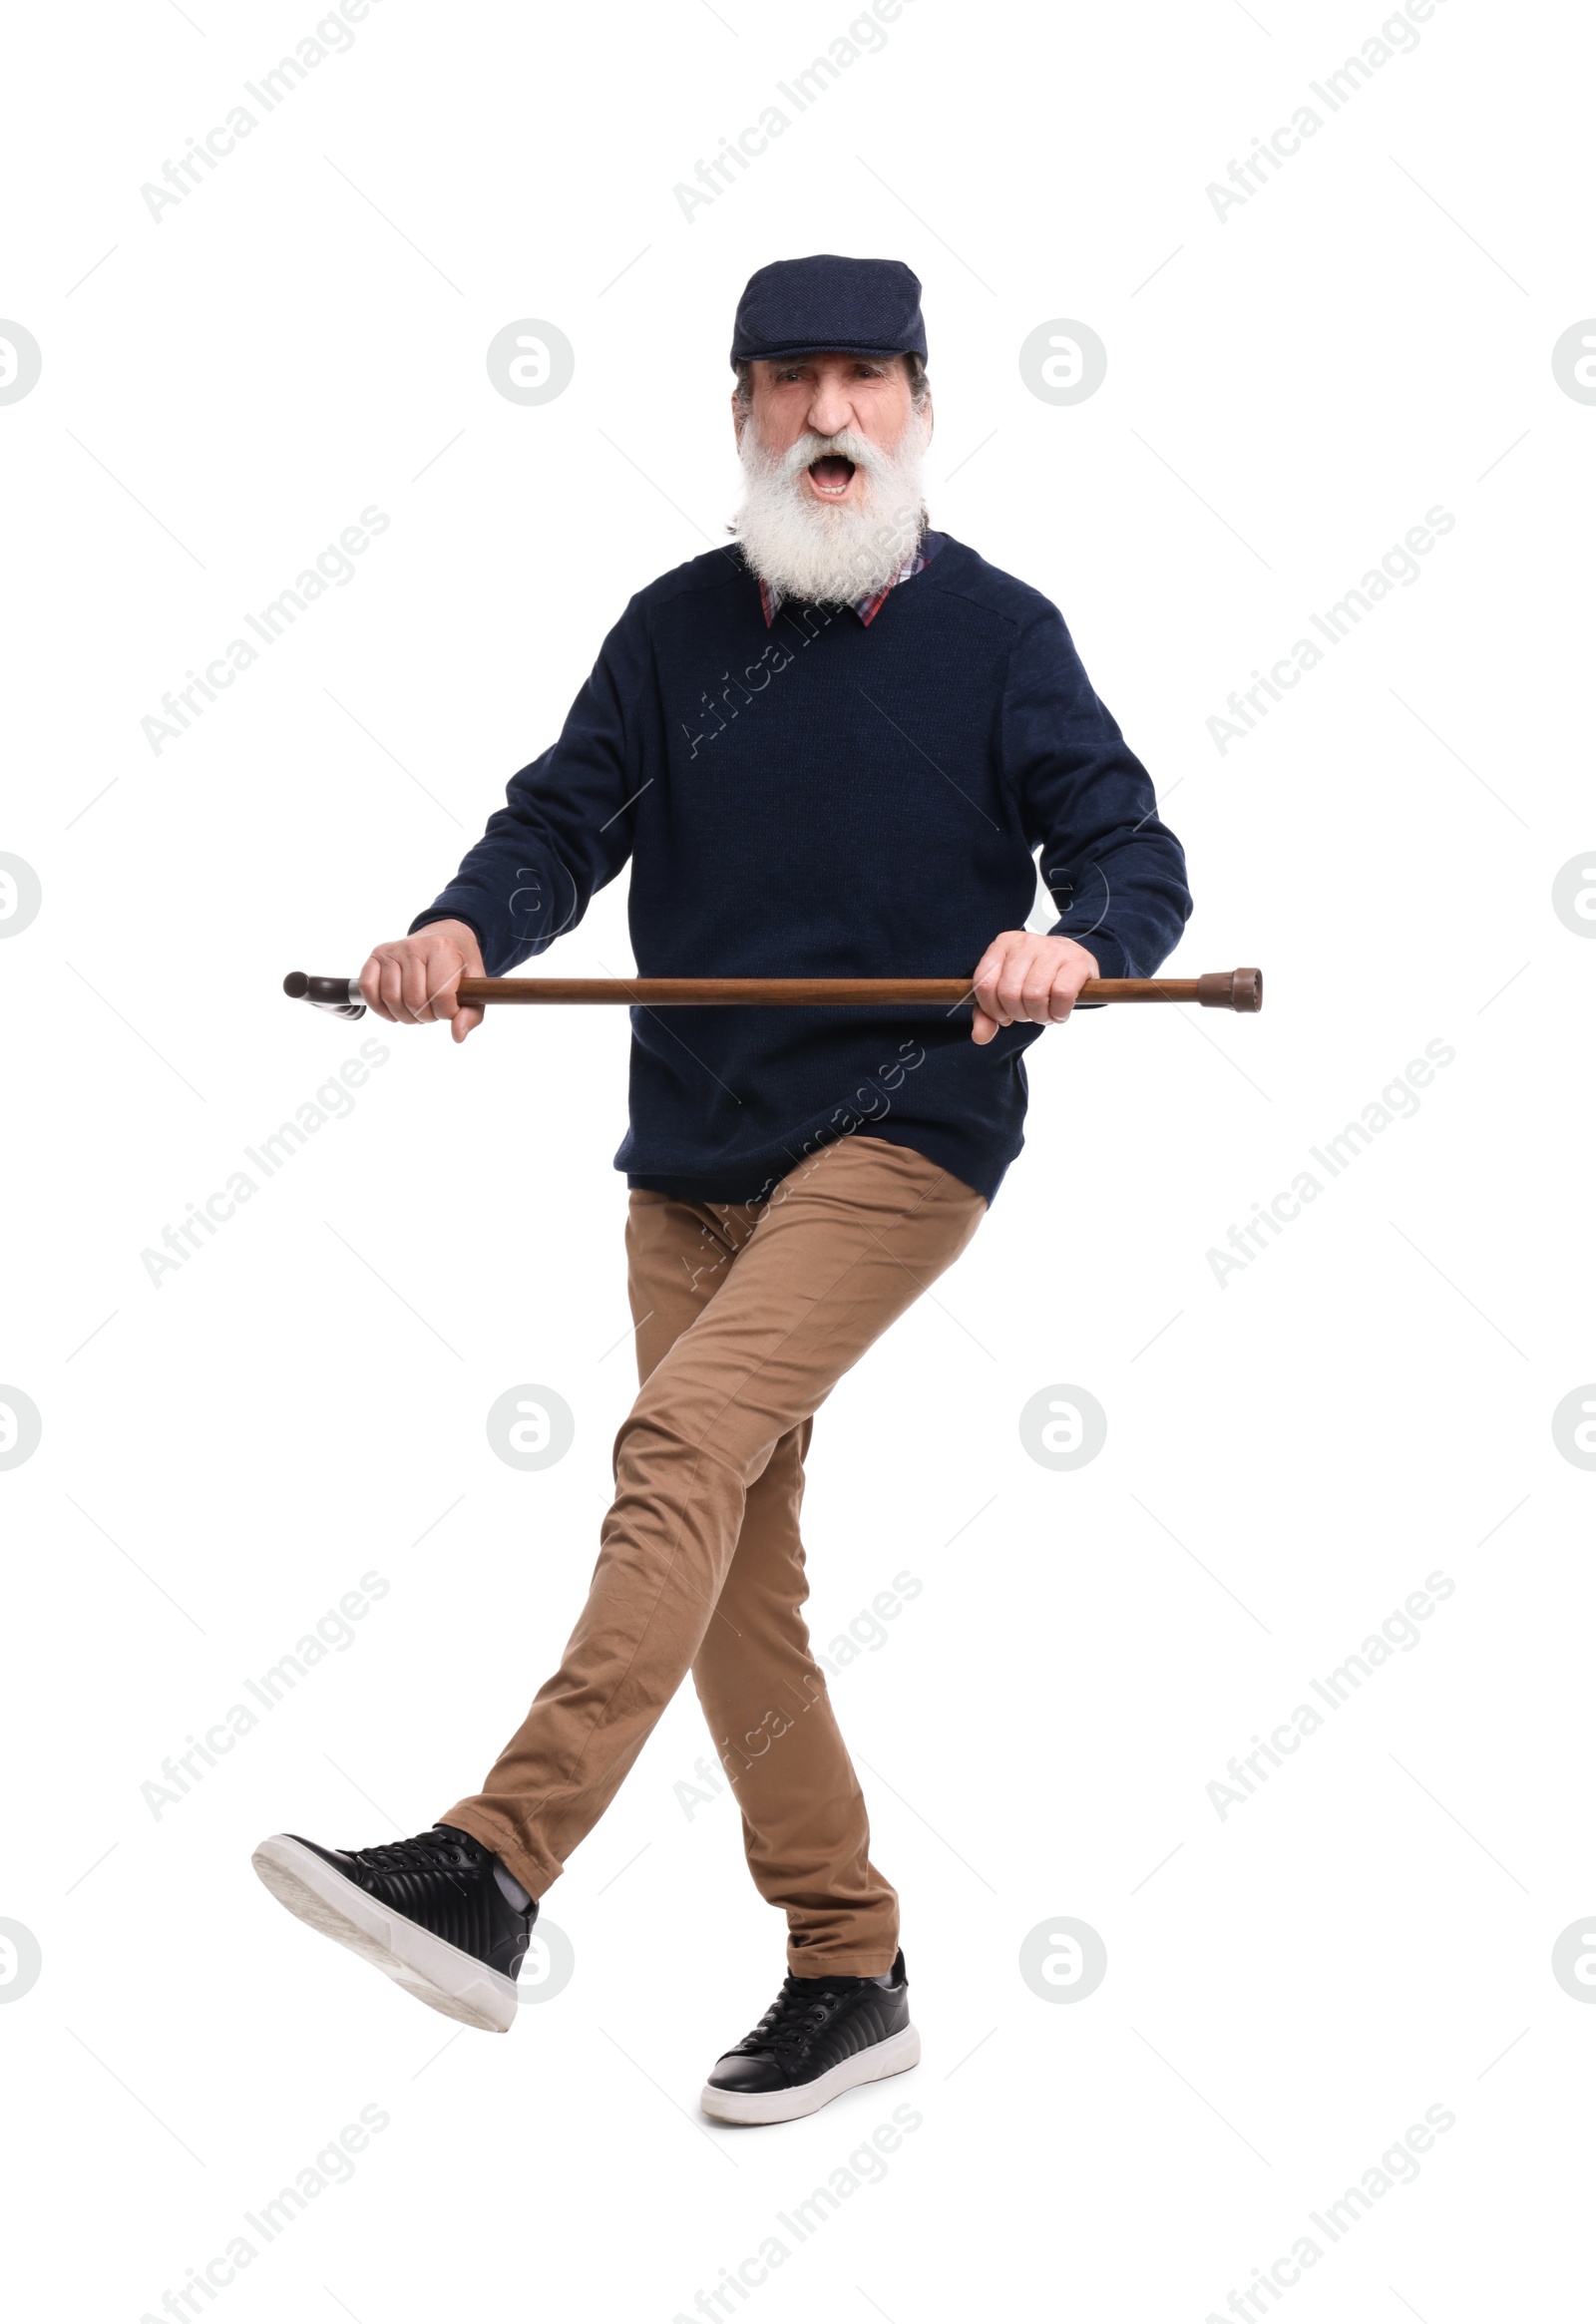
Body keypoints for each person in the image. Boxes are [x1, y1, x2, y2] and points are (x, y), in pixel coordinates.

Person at [253, 253, 1191, 2125]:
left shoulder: (1003, 637)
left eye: (866, 380)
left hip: (905, 1133)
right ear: (743, 414)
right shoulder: (670, 629)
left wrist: (1074, 944)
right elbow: (555, 825)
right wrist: (460, 928)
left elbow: (1132, 850)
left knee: (674, 1448)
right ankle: (848, 1961)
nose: (829, 415)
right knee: (737, 1585)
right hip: (688, 1165)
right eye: (792, 382)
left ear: (919, 408)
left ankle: (494, 1864)